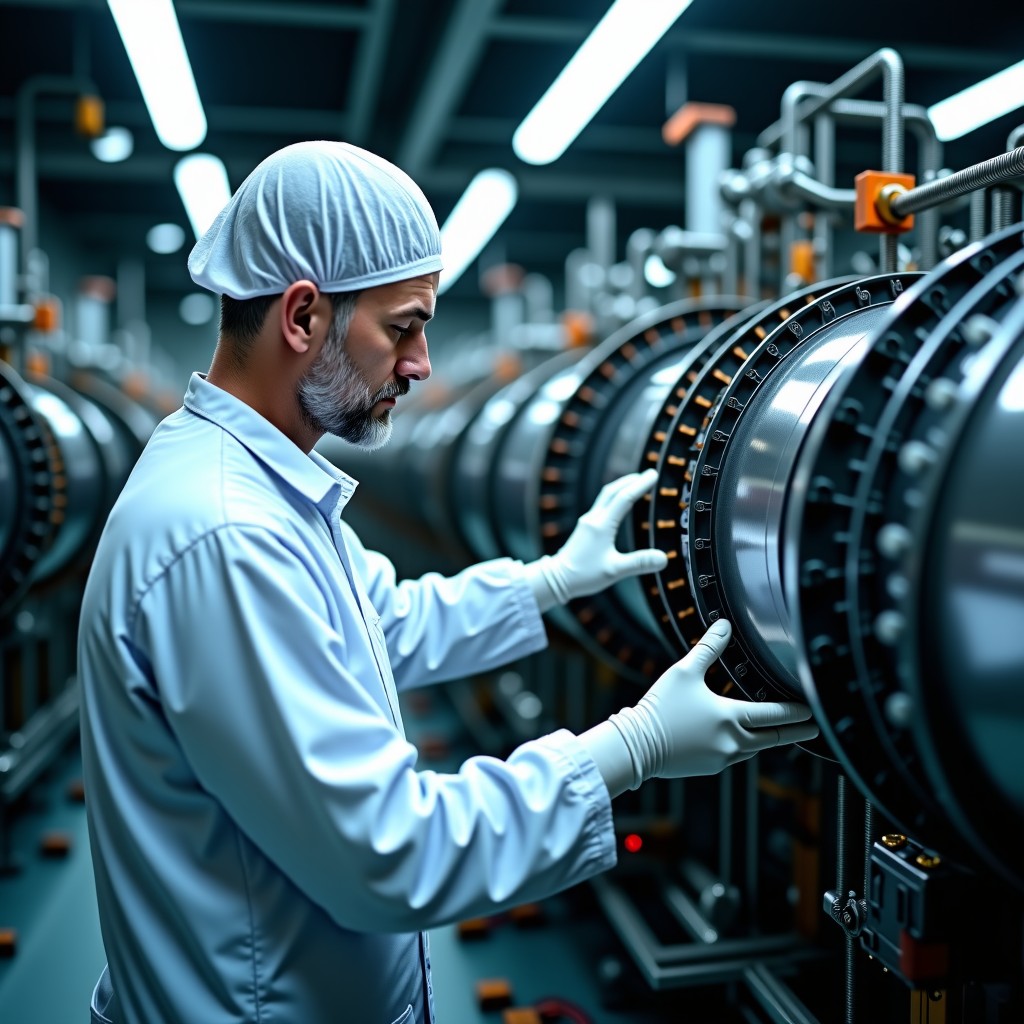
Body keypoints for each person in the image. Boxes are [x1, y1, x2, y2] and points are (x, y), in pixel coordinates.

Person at [78, 140, 819, 1024]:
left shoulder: (257, 487)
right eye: (402, 327)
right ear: (303, 316)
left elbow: (377, 625)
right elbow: (392, 854)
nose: (422, 363)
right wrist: (633, 748)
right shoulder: (226, 531)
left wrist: (548, 582)